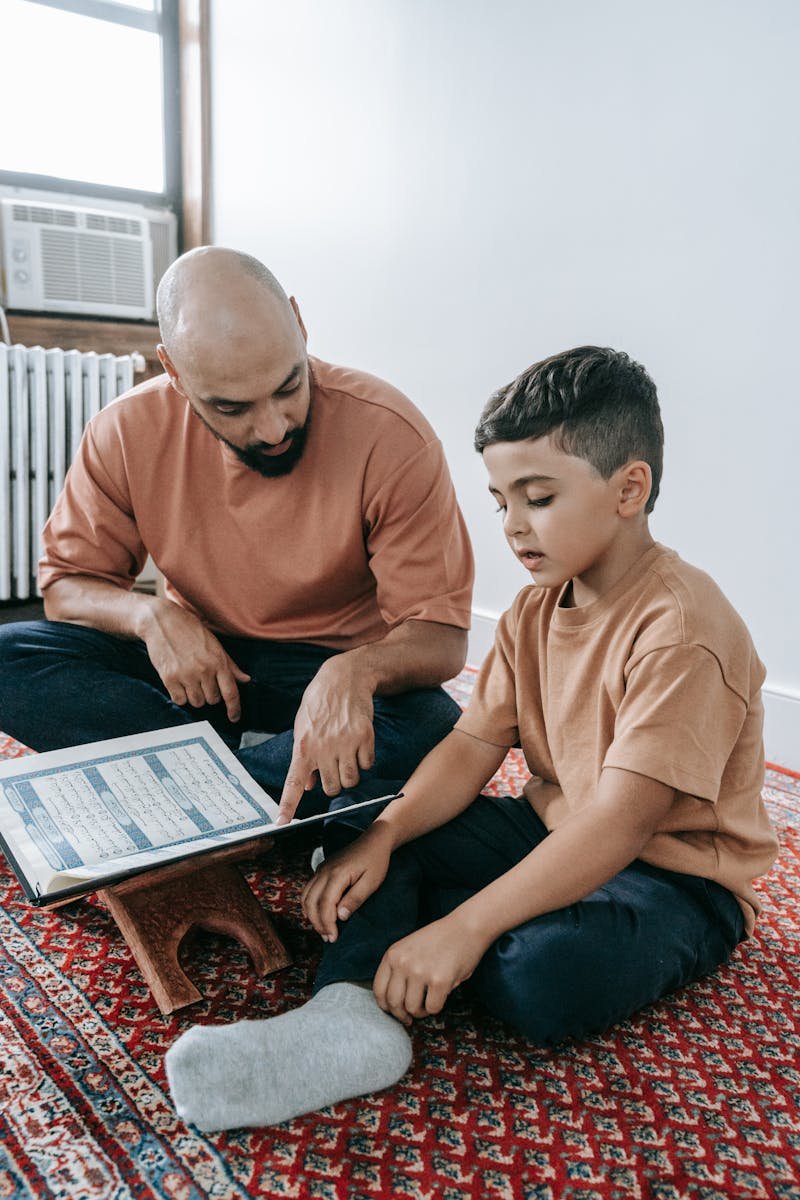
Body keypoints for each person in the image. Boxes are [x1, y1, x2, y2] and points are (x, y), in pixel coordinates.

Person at [164, 344, 779, 1133]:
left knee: (540, 976)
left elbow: (623, 822)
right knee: (365, 834)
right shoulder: (533, 610)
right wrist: (384, 838)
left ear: (631, 488)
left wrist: (467, 927)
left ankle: (433, 923)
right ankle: (349, 1015)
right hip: (550, 830)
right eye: (501, 502)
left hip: (675, 879)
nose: (514, 527)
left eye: (539, 498)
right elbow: (468, 749)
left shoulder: (684, 631)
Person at [0, 247, 473, 816]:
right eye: (231, 408)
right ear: (173, 372)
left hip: (328, 673)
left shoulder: (391, 434)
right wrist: (151, 616)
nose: (272, 428)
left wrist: (356, 669)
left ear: (299, 325)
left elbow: (441, 638)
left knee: (435, 723)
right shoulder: (123, 430)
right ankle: (269, 786)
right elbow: (66, 588)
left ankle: (183, 788)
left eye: (287, 387)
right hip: (201, 676)